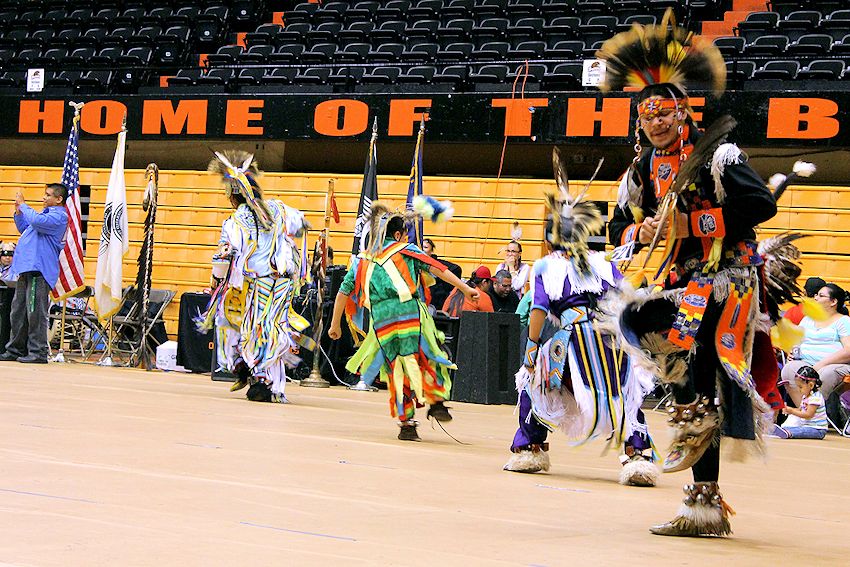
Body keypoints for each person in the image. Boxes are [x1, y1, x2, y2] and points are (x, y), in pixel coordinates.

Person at [599, 11, 788, 536]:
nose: (657, 121)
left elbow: (761, 205)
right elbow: (622, 223)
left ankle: (701, 482)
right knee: (643, 326)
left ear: (683, 113)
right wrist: (636, 233)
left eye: (666, 112)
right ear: (639, 122)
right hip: (683, 282)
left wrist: (692, 219)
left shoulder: (718, 156)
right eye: (648, 115)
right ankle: (703, 505)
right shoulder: (640, 170)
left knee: (701, 367)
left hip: (726, 277)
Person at [504, 149, 658, 488]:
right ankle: (637, 457)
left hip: (570, 340)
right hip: (609, 340)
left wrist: (531, 354)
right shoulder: (606, 264)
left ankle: (529, 448)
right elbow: (626, 302)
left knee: (535, 383)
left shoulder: (547, 266)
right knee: (623, 393)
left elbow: (539, 312)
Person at [328, 202, 479, 441]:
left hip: (381, 324)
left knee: (396, 370)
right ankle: (436, 400)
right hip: (409, 315)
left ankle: (407, 423)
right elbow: (437, 268)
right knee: (427, 356)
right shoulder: (406, 249)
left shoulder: (362, 259)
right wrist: (464, 288)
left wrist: (335, 324)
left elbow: (343, 292)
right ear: (397, 235)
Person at [200, 151, 312, 403]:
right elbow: (303, 224)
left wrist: (216, 285)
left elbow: (223, 257)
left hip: (255, 283)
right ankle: (271, 383)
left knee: (245, 326)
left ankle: (254, 375)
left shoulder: (234, 221)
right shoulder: (279, 208)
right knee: (273, 328)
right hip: (283, 281)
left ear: (233, 195)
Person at [0, 184, 69, 364]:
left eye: (47, 195)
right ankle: (15, 349)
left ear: (59, 199)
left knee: (35, 313)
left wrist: (24, 205)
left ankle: (38, 352)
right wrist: (18, 213)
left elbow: (36, 222)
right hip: (26, 269)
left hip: (39, 270)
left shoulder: (59, 217)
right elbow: (25, 227)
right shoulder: (43, 215)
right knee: (18, 311)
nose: (43, 198)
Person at [780, 283, 850, 410]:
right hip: (806, 362)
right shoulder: (807, 320)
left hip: (832, 365)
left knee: (824, 374)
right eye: (816, 295)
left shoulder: (843, 321)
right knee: (789, 369)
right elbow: (797, 340)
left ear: (833, 301)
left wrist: (821, 364)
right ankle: (804, 412)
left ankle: (812, 413)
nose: (816, 298)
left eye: (821, 295)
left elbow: (848, 350)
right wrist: (792, 351)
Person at [773, 365, 828, 439]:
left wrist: (792, 411)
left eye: (800, 387)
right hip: (806, 425)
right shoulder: (806, 396)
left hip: (817, 429)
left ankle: (788, 433)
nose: (799, 390)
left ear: (811, 385)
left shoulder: (815, 398)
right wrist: (789, 409)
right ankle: (783, 430)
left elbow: (808, 415)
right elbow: (800, 410)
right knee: (792, 425)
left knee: (802, 431)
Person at [422, 238, 462, 310]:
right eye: (421, 247)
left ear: (431, 251)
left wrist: (439, 282)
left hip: (435, 303)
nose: (423, 250)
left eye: (425, 247)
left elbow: (457, 269)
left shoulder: (437, 263)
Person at [0, 241, 17, 355]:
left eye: (10, 255)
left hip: (9, 298)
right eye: (5, 255)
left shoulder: (16, 268)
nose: (7, 258)